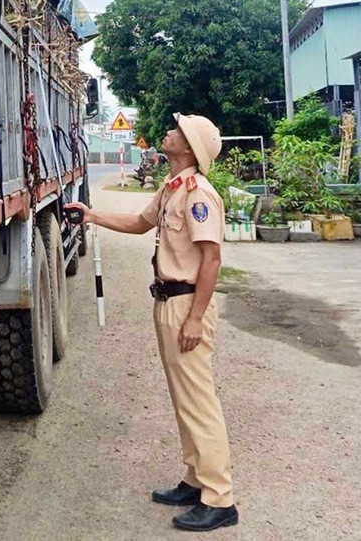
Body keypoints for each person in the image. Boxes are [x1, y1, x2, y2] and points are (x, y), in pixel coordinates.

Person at [66, 113, 238, 533]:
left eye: (177, 130)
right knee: (184, 400)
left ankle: (220, 498)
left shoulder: (200, 194)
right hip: (167, 302)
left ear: (190, 146)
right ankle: (195, 480)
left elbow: (212, 259)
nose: (168, 132)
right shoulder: (171, 187)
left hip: (186, 305)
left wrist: (196, 317)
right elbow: (141, 224)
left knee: (199, 402)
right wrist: (91, 216)